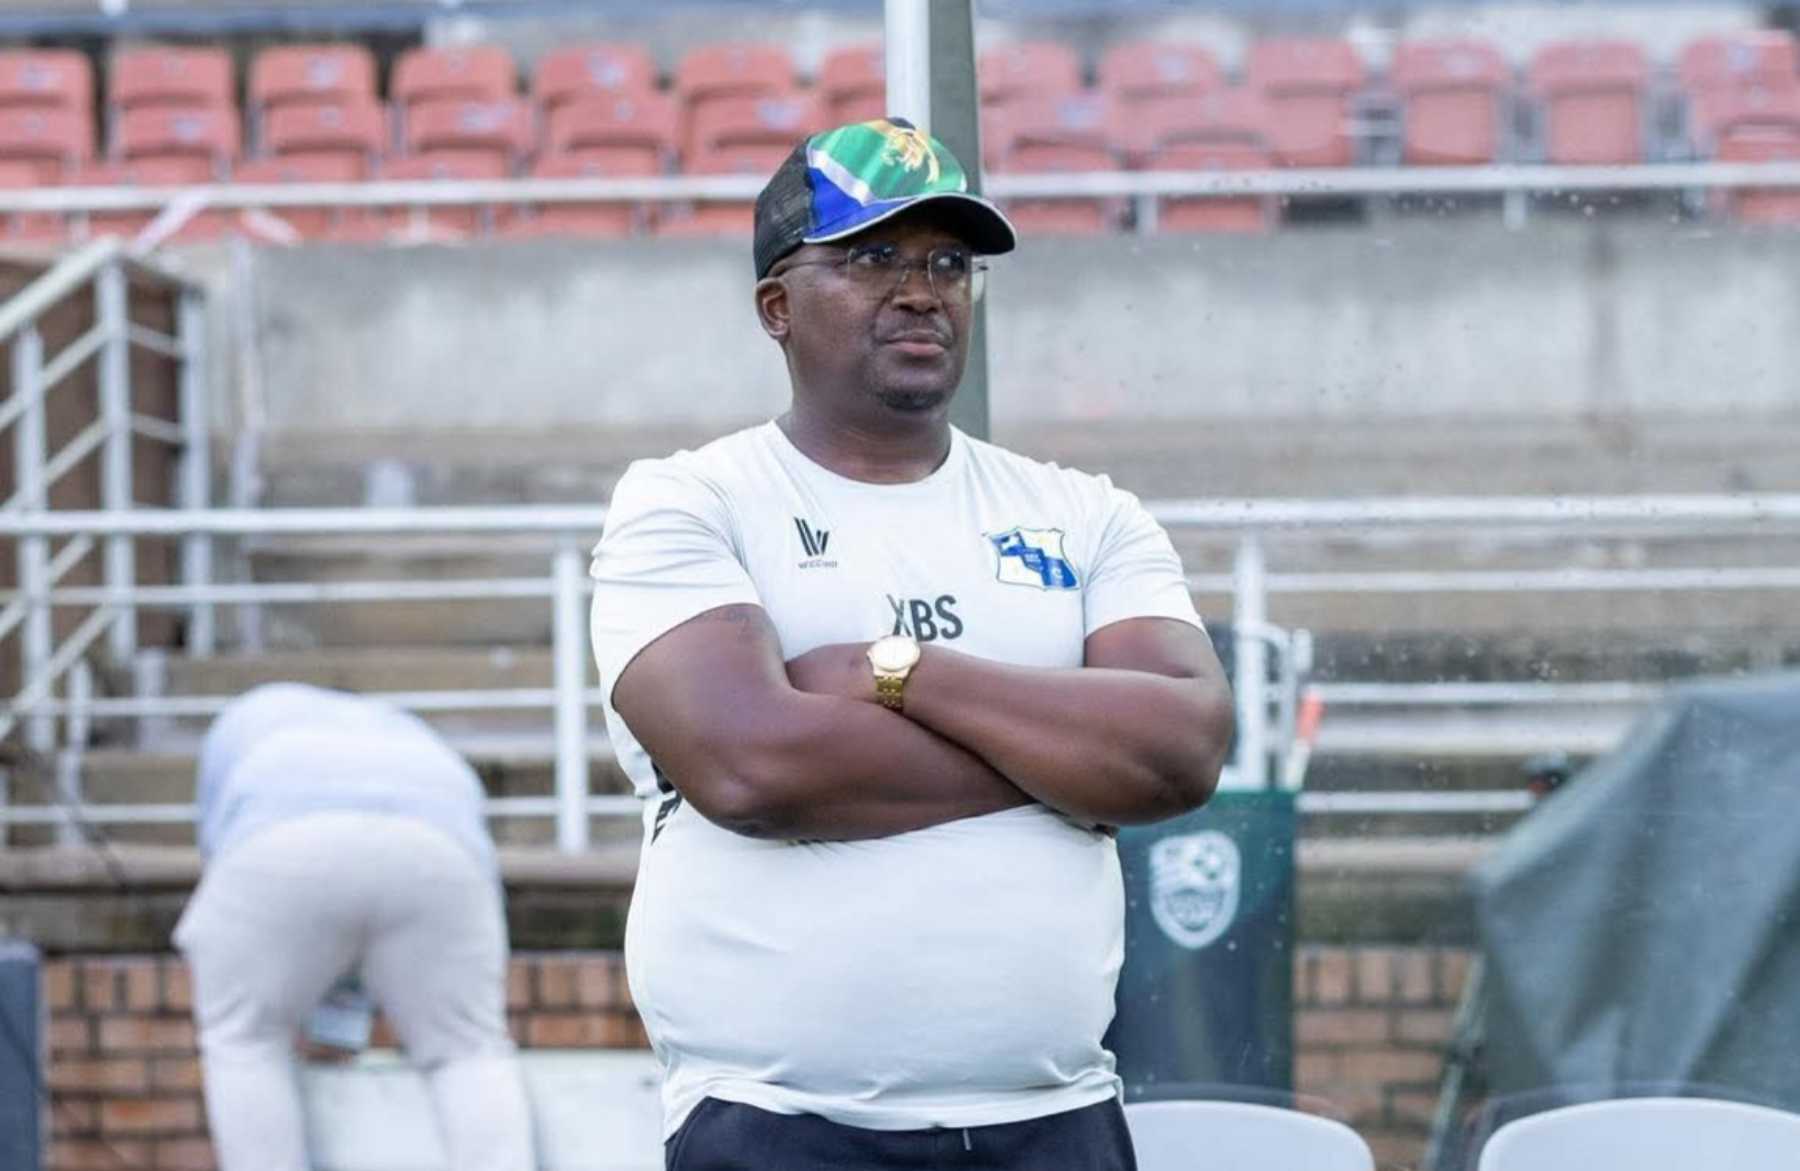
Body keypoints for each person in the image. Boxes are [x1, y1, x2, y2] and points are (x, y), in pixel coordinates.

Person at [589, 116, 1236, 1171]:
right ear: (776, 306)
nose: (921, 289)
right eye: (870, 257)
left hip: (1057, 1121)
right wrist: (1066, 755)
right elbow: (752, 764)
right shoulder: (691, 501)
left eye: (948, 262)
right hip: (776, 1125)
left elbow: (1180, 751)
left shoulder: (1084, 512)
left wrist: (899, 673)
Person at [173, 683, 535, 1171]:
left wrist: (329, 1025)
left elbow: (226, 857)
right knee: (467, 1051)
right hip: (440, 845)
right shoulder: (402, 727)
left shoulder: (246, 718)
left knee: (246, 1041)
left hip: (276, 836)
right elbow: (363, 896)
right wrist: (340, 1027)